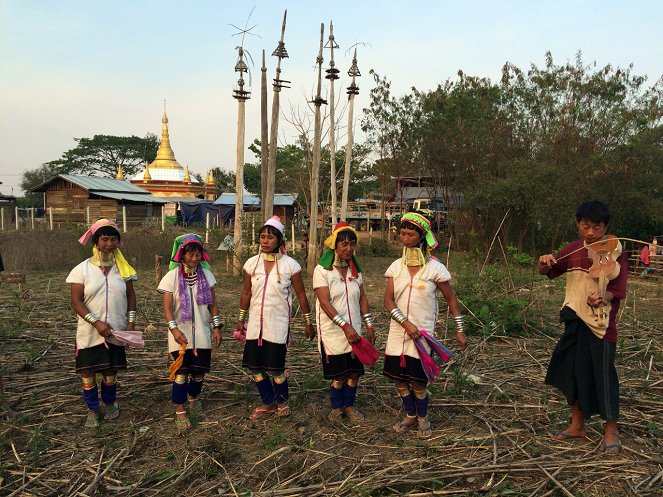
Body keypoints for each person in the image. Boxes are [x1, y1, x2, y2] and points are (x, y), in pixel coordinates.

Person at [538, 200, 628, 454]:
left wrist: (603, 297)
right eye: (585, 226)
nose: (590, 233)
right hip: (575, 318)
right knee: (574, 372)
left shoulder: (616, 252)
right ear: (578, 224)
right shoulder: (572, 250)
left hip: (601, 324)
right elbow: (547, 270)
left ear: (606, 227)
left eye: (596, 228)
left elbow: (617, 292)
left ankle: (611, 430)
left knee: (603, 374)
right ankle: (577, 425)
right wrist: (544, 263)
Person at [384, 212, 467, 438]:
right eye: (402, 233)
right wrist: (404, 323)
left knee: (418, 382)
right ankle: (410, 414)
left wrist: (460, 329)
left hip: (422, 336)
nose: (405, 238)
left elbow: (451, 299)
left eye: (411, 234)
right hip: (398, 334)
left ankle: (423, 418)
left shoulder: (435, 269)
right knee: (400, 380)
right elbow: (388, 301)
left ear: (422, 237)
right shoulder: (395, 267)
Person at [236, 216, 315, 419]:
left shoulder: (291, 265)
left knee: (276, 368)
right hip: (255, 325)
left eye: (270, 238)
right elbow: (246, 292)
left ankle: (282, 402)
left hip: (277, 324)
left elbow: (301, 295)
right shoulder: (251, 264)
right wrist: (241, 318)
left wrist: (308, 322)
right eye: (262, 237)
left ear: (280, 241)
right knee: (255, 368)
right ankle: (267, 402)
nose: (265, 241)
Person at [66, 219, 137, 428]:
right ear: (96, 242)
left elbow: (131, 297)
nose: (109, 243)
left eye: (113, 239)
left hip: (116, 329)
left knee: (110, 371)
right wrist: (96, 323)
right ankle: (92, 409)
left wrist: (130, 324)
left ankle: (109, 403)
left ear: (119, 242)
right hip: (89, 332)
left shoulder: (124, 270)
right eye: (104, 239)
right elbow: (76, 301)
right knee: (88, 373)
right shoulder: (82, 270)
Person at [158, 234, 222, 429]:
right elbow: (168, 308)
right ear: (182, 255)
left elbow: (212, 304)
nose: (194, 258)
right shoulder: (171, 277)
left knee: (198, 374)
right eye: (190, 254)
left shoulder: (207, 276)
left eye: (197, 254)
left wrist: (217, 326)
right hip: (180, 334)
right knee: (181, 373)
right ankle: (180, 409)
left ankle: (193, 398)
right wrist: (174, 329)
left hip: (202, 332)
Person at [313, 222, 375, 423]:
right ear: (334, 246)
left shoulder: (355, 272)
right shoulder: (322, 271)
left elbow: (362, 298)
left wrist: (369, 325)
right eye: (344, 244)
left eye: (352, 244)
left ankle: (349, 406)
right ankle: (336, 407)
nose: (349, 249)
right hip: (333, 331)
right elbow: (324, 302)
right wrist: (344, 326)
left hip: (354, 329)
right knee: (338, 375)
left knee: (354, 373)